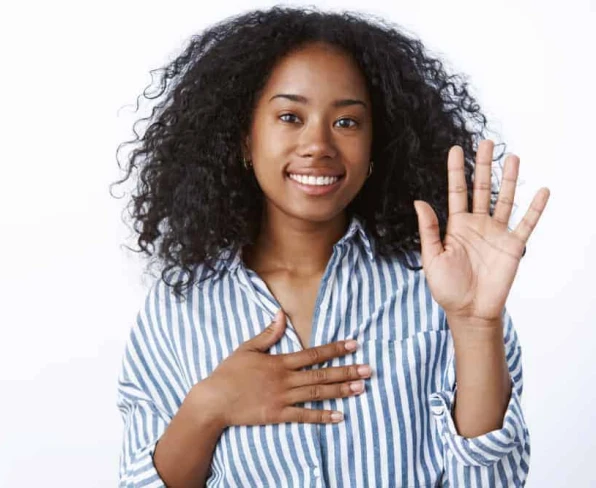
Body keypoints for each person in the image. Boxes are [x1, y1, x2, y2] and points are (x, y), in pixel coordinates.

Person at [112, 6, 550, 487]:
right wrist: (209, 407)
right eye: (289, 116)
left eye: (347, 122)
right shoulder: (180, 307)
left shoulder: (439, 285)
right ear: (244, 139)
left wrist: (475, 326)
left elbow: (493, 481)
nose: (318, 144)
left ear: (376, 144)